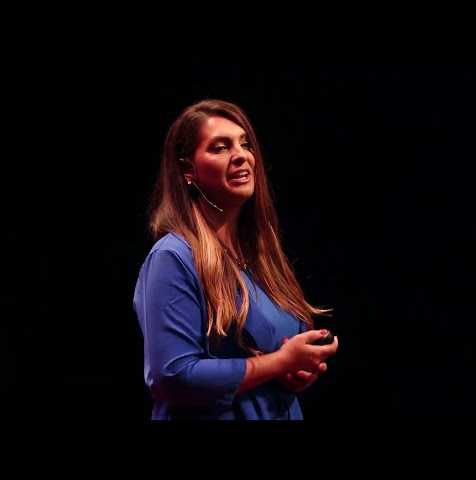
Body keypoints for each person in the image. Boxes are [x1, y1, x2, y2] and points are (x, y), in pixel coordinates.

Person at [133, 98, 338, 420]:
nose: (241, 155)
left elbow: (276, 353)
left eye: (245, 144)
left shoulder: (260, 254)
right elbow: (173, 377)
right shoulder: (173, 258)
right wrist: (280, 362)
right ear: (188, 170)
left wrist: (296, 370)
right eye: (220, 147)